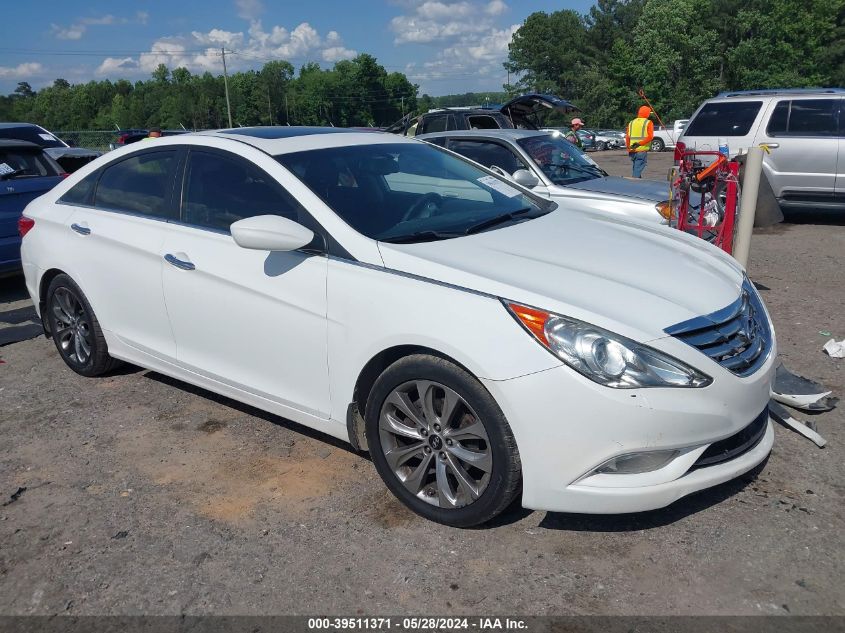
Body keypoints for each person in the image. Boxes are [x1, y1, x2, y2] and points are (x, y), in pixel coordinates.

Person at [625, 106, 654, 178]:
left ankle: (637, 183)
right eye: (649, 113)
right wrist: (639, 144)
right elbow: (650, 137)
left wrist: (629, 148)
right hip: (641, 150)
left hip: (633, 150)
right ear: (646, 113)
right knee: (637, 170)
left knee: (636, 168)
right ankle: (634, 185)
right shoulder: (648, 122)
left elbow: (627, 137)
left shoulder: (631, 122)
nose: (649, 115)